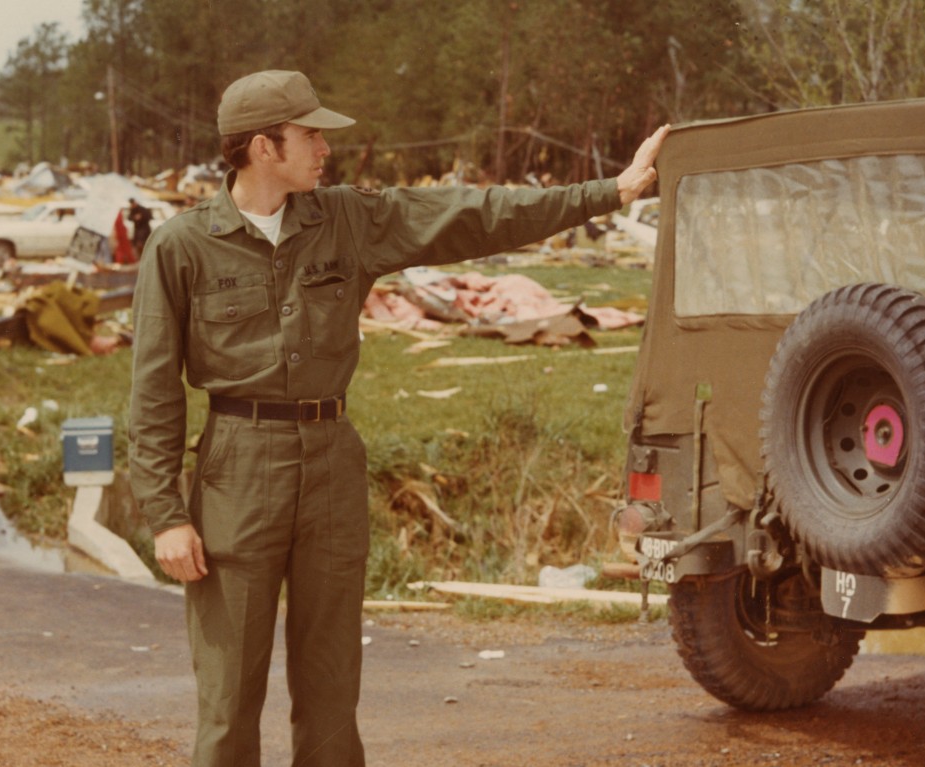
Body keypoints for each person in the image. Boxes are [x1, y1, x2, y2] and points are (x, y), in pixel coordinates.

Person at [128, 69, 667, 767]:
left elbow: (472, 214)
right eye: (311, 134)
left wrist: (609, 191)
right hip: (235, 465)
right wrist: (166, 512)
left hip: (329, 462)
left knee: (330, 692)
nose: (326, 148)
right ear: (263, 147)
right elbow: (152, 391)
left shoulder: (348, 219)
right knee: (228, 699)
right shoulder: (181, 247)